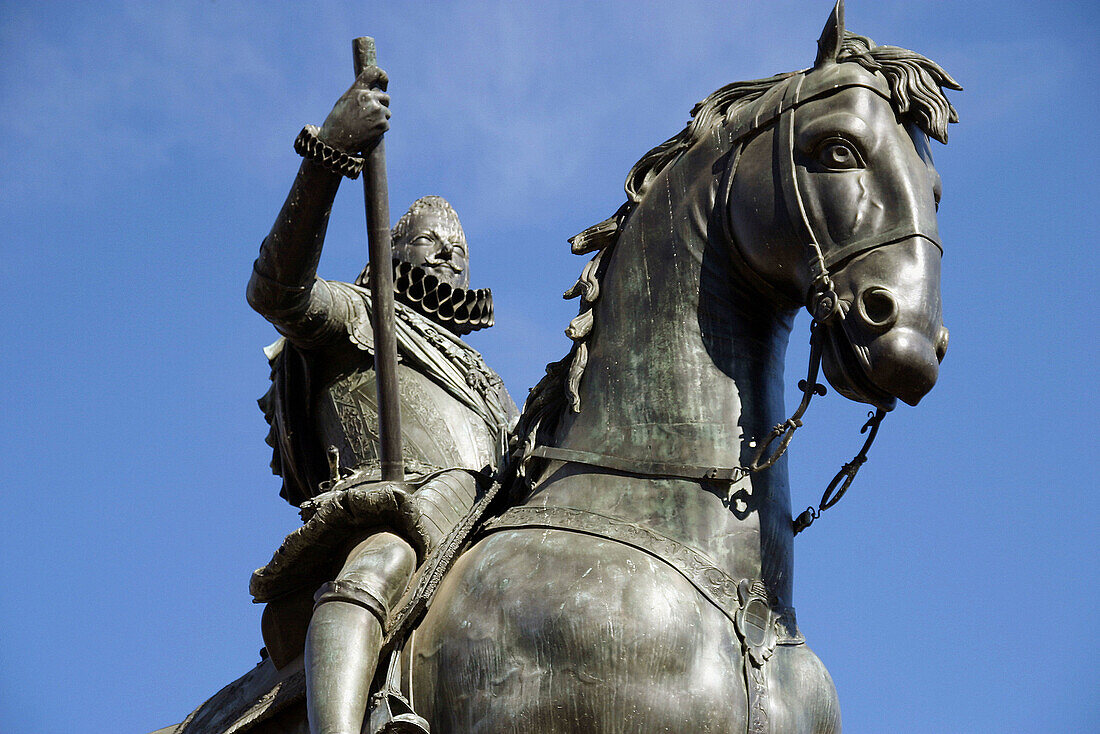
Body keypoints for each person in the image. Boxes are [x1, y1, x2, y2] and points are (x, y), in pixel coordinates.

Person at [244, 64, 516, 734]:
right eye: (433, 243)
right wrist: (328, 157)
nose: (452, 258)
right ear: (390, 250)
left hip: (483, 529)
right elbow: (276, 292)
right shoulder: (358, 314)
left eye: (462, 251)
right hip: (395, 507)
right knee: (382, 559)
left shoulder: (490, 384)